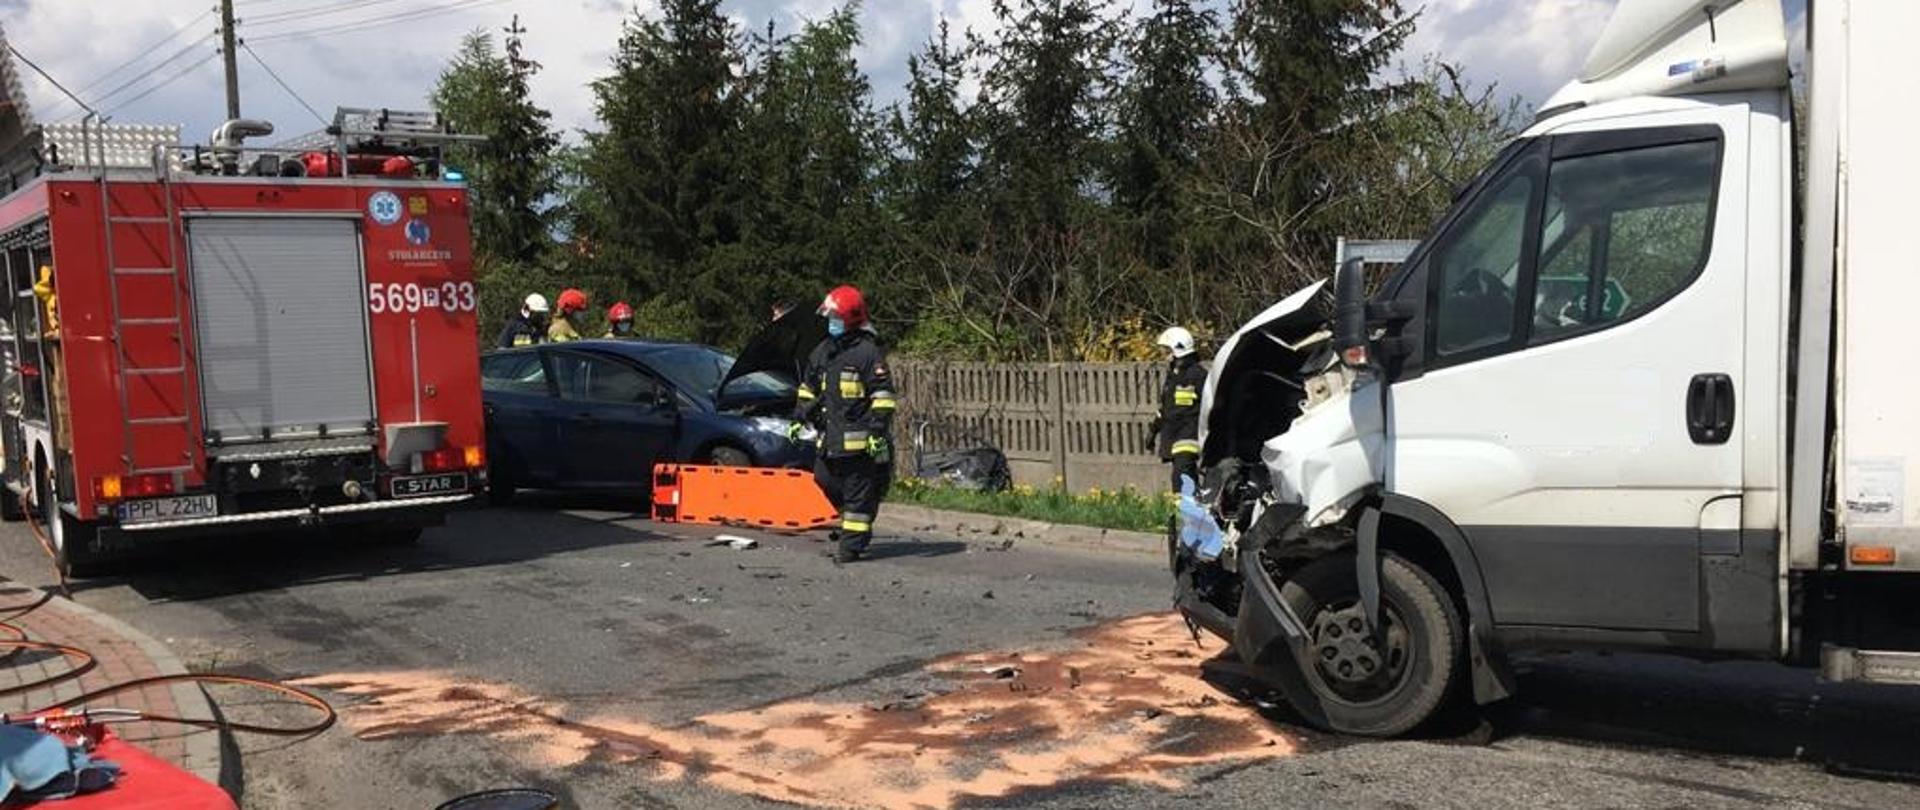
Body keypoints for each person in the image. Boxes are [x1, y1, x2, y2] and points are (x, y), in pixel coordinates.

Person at [791, 285, 897, 563]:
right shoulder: (824, 351)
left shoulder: (867, 353)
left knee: (856, 494)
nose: (831, 323)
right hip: (829, 440)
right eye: (829, 318)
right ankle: (857, 511)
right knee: (822, 478)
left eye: (835, 318)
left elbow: (883, 397)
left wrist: (877, 432)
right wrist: (799, 415)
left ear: (850, 319)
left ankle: (851, 547)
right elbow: (808, 387)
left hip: (859, 443)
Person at [1147, 326, 1206, 492]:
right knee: (1183, 477)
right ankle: (1195, 510)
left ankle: (1189, 512)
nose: (1165, 356)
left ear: (1178, 350)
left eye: (1167, 351)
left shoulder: (1198, 375)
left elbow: (1210, 404)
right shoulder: (1172, 377)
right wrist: (1153, 431)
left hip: (1189, 435)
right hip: (1173, 435)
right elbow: (1165, 409)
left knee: (1182, 475)